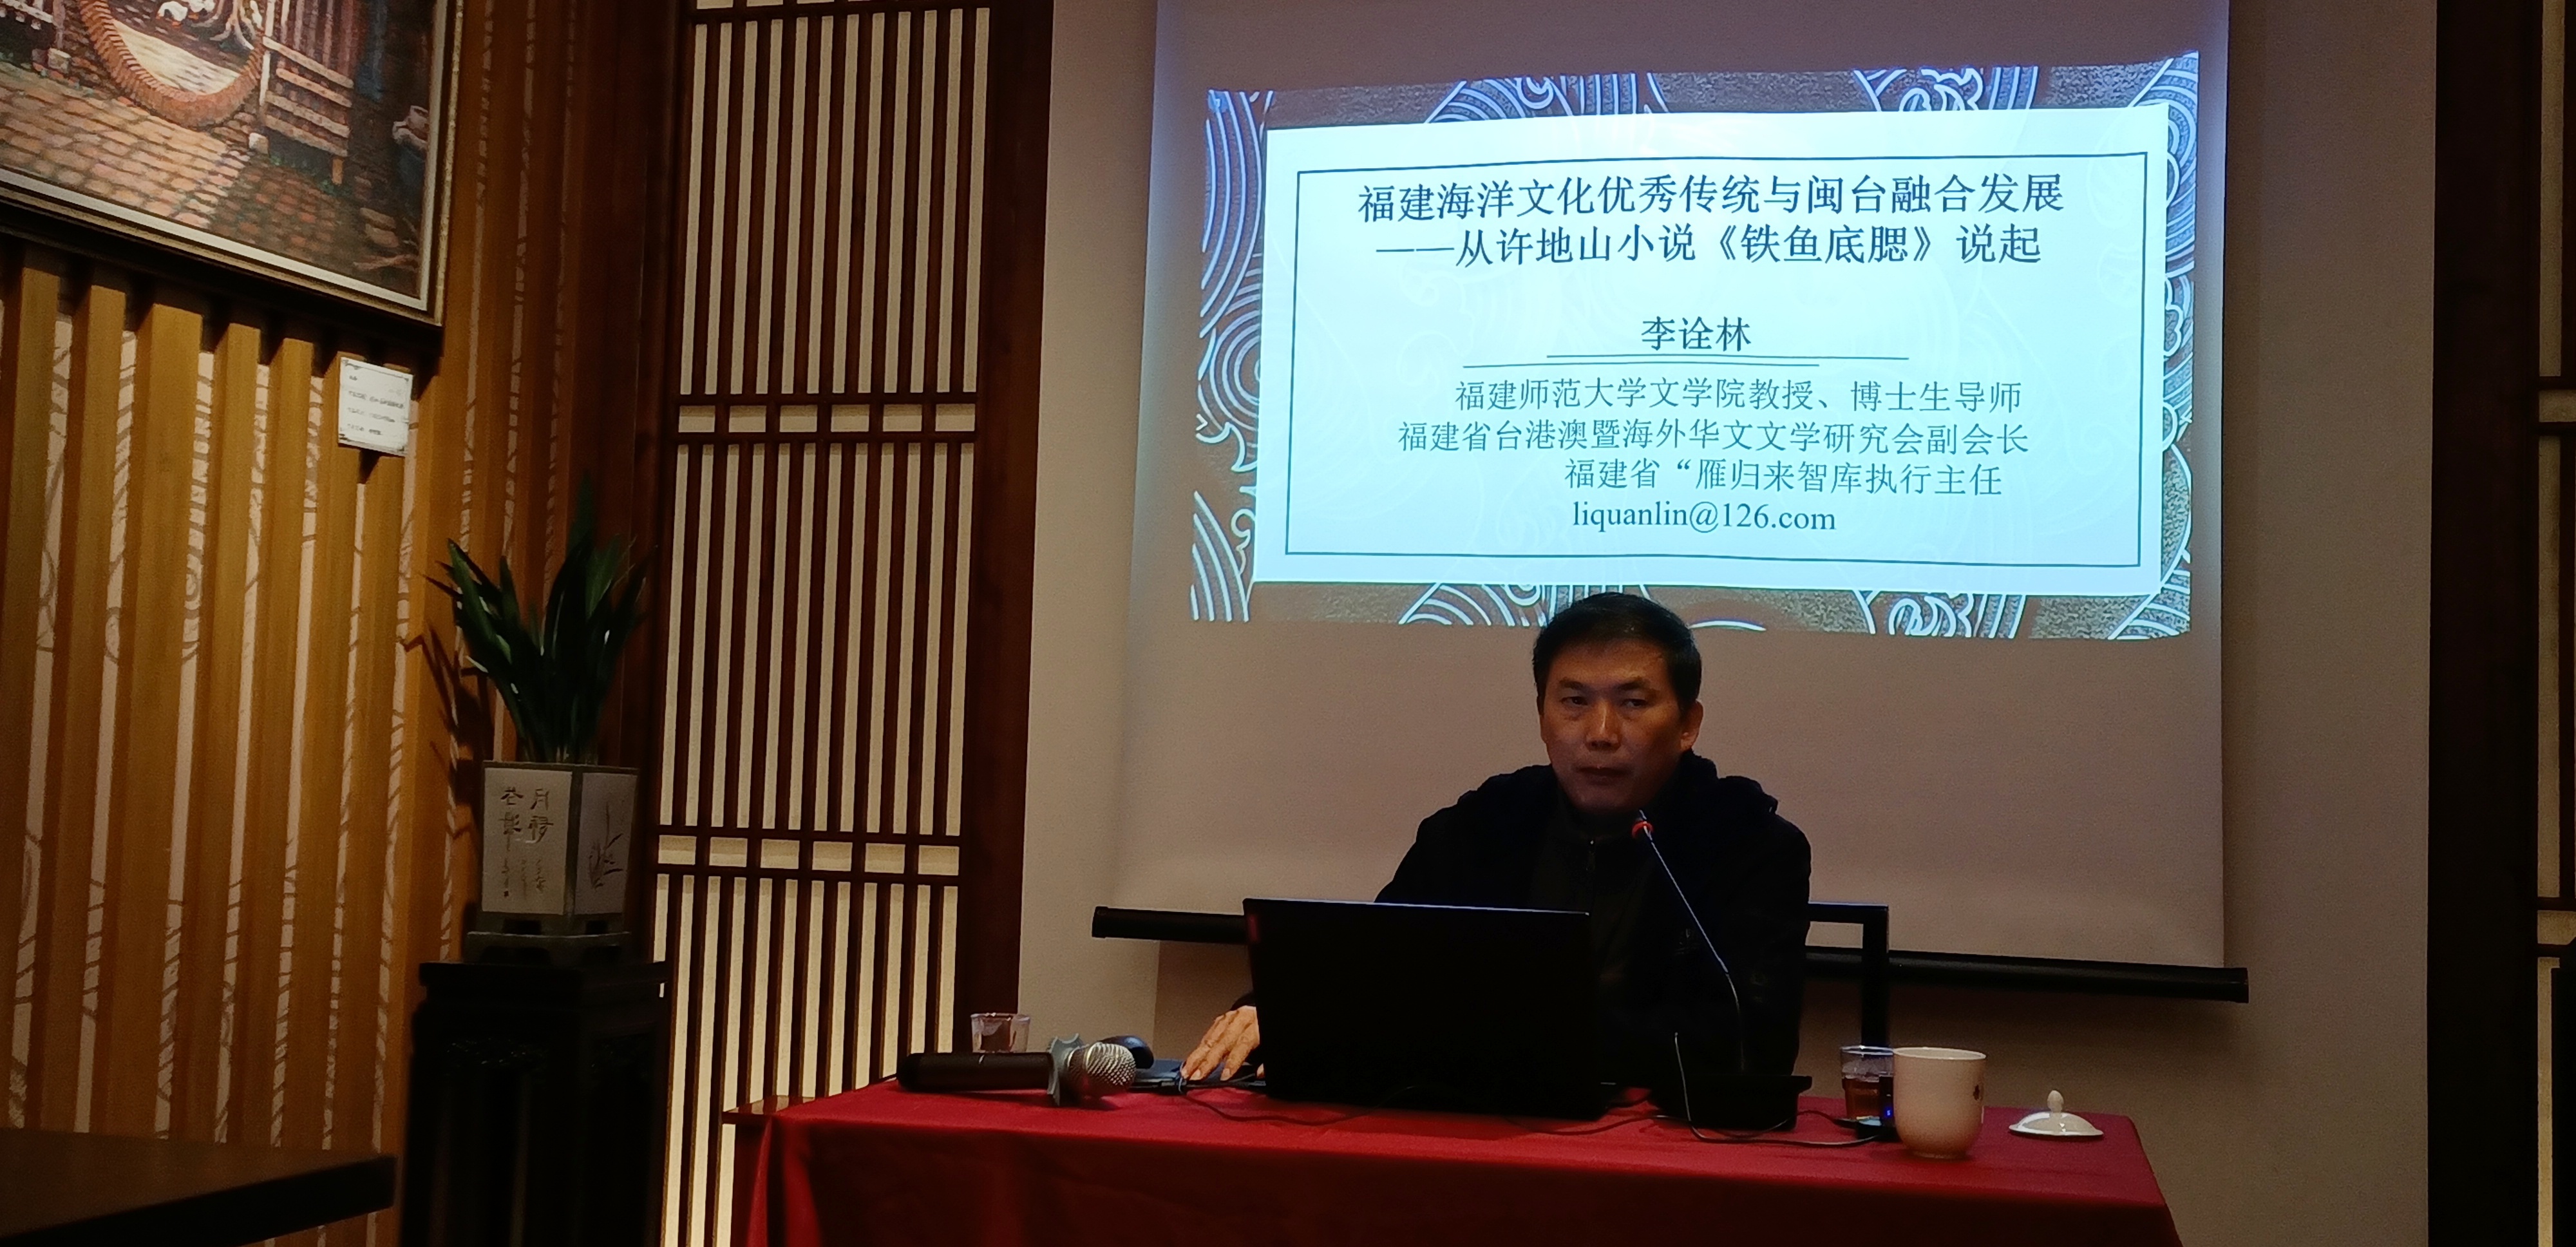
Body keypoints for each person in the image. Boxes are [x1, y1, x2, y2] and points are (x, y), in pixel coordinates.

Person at [1179, 591, 1811, 1087]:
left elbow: (1750, 1040)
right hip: (1475, 1132)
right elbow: (1375, 967)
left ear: (1688, 725)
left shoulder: (1750, 845)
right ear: (1541, 715)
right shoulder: (1482, 825)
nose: (1600, 732)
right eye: (1574, 701)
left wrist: (1509, 1032)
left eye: (1632, 703)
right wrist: (1282, 1009)